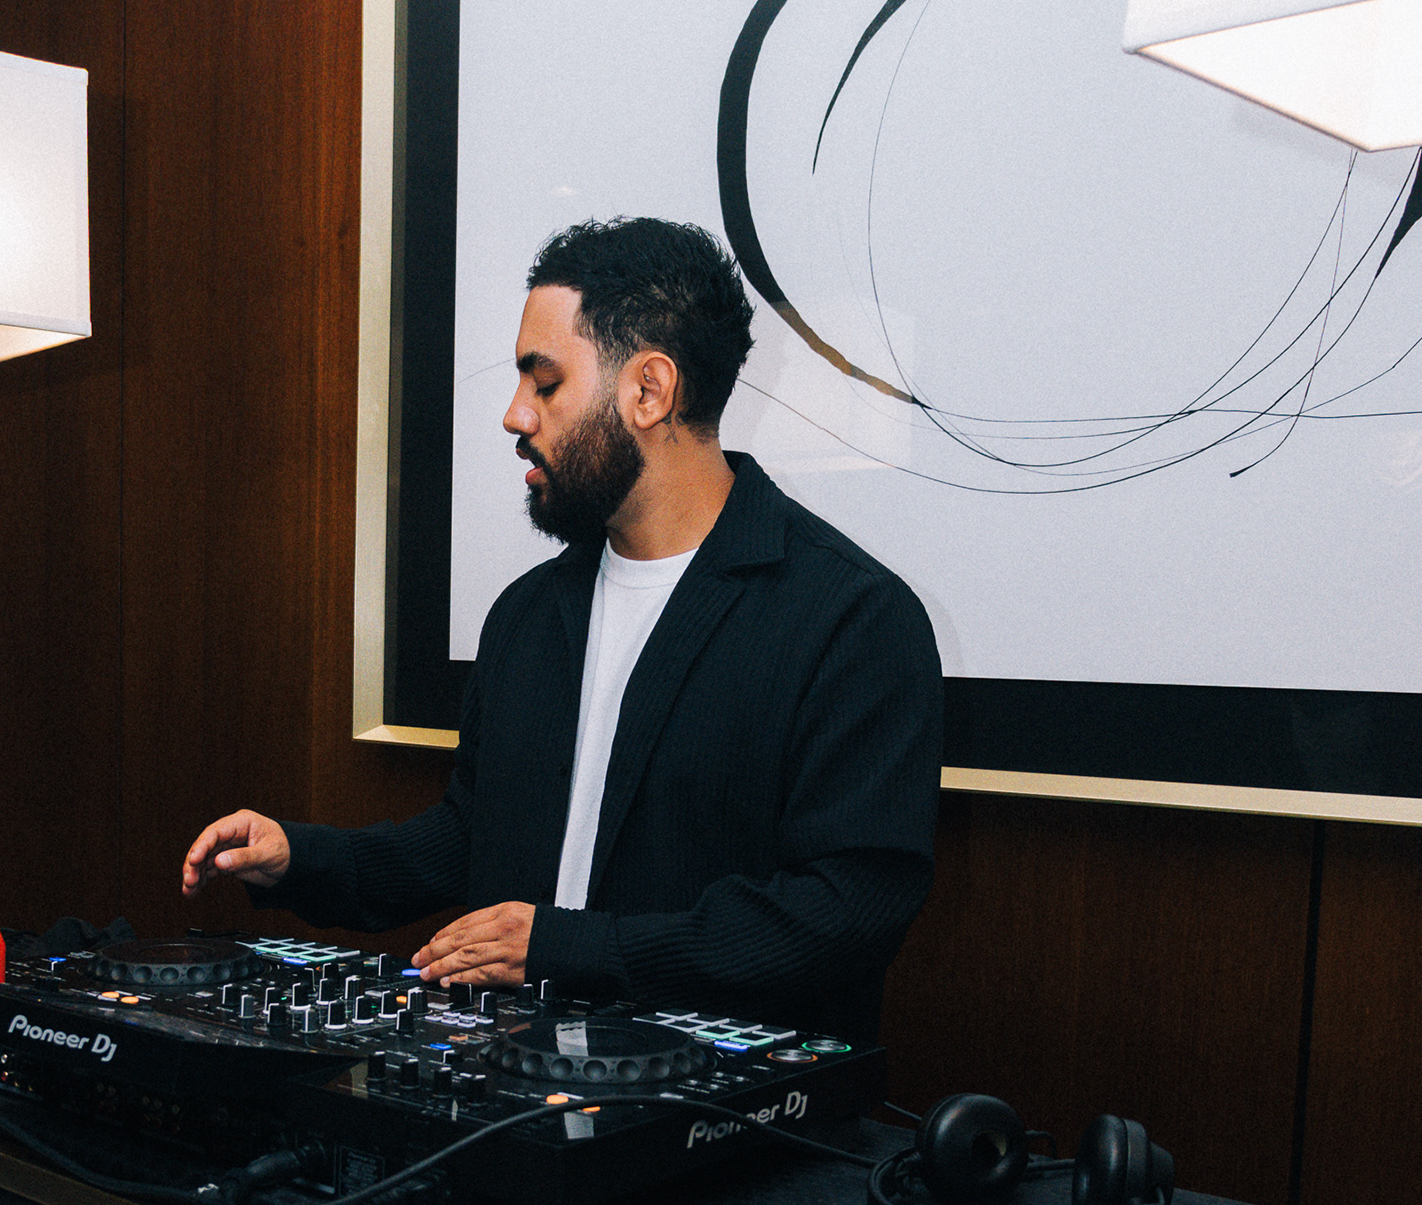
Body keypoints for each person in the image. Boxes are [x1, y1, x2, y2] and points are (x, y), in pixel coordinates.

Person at [183, 216, 942, 1035]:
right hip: (516, 1078)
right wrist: (301, 858)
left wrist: (570, 948)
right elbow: (471, 837)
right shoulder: (528, 614)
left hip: (711, 1102)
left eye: (544, 384)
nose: (516, 415)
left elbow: (845, 910)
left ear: (650, 391)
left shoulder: (853, 619)